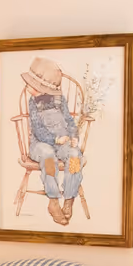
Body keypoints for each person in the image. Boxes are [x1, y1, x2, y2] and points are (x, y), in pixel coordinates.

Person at [21, 56, 86, 225]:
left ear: (43, 88)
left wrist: (73, 137)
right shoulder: (33, 103)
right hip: (41, 144)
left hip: (63, 142)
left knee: (74, 155)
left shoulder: (60, 100)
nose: (27, 86)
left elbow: (70, 121)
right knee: (48, 156)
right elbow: (37, 129)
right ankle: (54, 200)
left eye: (31, 84)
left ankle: (69, 198)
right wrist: (55, 139)